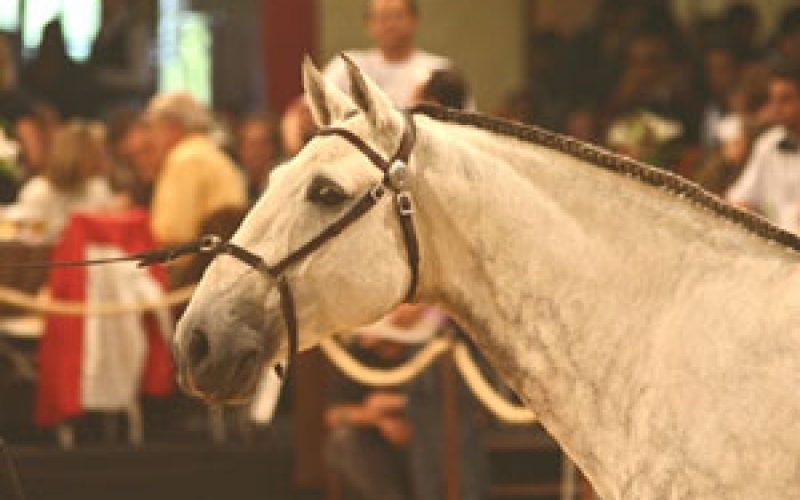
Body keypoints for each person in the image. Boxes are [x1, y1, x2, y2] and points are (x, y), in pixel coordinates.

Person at [145, 92, 247, 247]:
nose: (152, 139)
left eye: (154, 129)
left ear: (172, 126)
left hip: (201, 261)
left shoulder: (185, 158)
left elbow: (175, 231)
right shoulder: (210, 151)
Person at [324, 334, 414, 500]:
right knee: (344, 439)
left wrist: (402, 406)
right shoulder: (357, 357)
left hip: (422, 436)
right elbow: (334, 415)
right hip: (375, 447)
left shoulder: (423, 352)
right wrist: (379, 420)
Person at [322, 0, 453, 109]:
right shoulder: (347, 66)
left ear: (414, 21)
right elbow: (309, 109)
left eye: (398, 16)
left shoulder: (439, 70)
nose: (390, 25)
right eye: (382, 18)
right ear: (368, 25)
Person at [726, 64, 800, 233]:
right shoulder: (768, 143)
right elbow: (741, 199)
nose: (776, 108)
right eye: (773, 100)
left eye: (785, 99)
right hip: (775, 249)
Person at [14, 120, 114, 242]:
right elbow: (28, 240)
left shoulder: (97, 187)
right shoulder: (38, 191)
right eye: (93, 155)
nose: (99, 161)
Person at [87, 0, 154, 115]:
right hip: (101, 106)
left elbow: (140, 77)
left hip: (126, 108)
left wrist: (103, 76)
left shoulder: (135, 29)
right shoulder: (105, 27)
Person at [236, 114, 279, 201]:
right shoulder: (236, 183)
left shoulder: (280, 182)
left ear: (272, 148)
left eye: (261, 145)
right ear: (241, 151)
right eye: (250, 146)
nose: (256, 152)